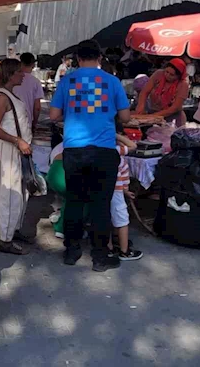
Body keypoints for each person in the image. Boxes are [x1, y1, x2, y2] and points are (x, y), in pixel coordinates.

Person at [49, 40, 131, 272]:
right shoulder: (112, 81)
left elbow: (54, 115)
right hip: (104, 151)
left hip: (74, 150)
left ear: (77, 58)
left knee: (74, 201)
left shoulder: (67, 81)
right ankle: (99, 257)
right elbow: (125, 118)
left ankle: (71, 251)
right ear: (100, 57)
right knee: (100, 204)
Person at [0, 59, 32, 255]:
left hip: (16, 150)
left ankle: (11, 230)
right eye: (20, 72)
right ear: (11, 74)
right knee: (8, 195)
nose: (23, 75)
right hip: (7, 151)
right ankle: (5, 239)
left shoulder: (8, 95)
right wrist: (17, 140)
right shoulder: (1, 98)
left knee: (19, 194)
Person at [110, 132, 142, 261]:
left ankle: (109, 248)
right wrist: (117, 136)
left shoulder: (98, 150)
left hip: (103, 190)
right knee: (122, 221)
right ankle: (124, 251)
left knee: (106, 218)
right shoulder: (116, 151)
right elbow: (133, 146)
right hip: (116, 192)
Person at [133, 58, 189, 126]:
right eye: (166, 72)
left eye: (171, 75)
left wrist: (153, 116)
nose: (167, 75)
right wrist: (141, 106)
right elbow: (145, 92)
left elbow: (175, 107)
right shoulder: (158, 74)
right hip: (153, 112)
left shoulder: (183, 85)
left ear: (178, 76)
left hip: (173, 118)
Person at [14, 53, 45, 130]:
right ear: (33, 65)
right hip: (27, 123)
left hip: (12, 122)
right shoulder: (36, 82)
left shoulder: (12, 80)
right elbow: (37, 107)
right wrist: (34, 123)